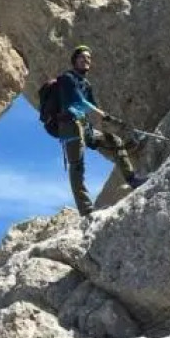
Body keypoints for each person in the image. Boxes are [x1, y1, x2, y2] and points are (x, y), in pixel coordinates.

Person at [54, 45, 145, 217]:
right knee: (77, 165)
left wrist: (111, 121)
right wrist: (107, 117)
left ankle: (132, 178)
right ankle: (86, 209)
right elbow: (80, 102)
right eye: (82, 57)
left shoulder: (86, 84)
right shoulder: (67, 78)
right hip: (70, 125)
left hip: (84, 125)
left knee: (114, 140)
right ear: (75, 61)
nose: (86, 60)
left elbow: (93, 106)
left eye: (89, 58)